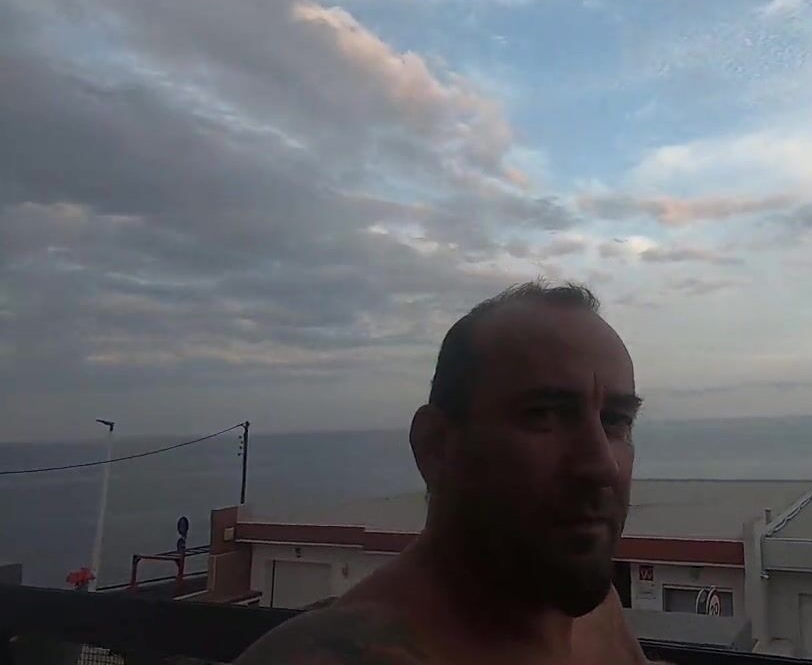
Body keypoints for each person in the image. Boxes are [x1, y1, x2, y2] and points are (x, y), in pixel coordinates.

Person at [235, 282, 649, 664]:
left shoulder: (589, 610)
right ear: (435, 446)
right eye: (543, 415)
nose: (602, 465)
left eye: (616, 420)